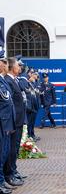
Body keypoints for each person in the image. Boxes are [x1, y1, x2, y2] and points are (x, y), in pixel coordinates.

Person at [4, 57, 26, 186]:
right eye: (18, 66)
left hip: (18, 120)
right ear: (12, 67)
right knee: (11, 149)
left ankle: (13, 170)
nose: (20, 68)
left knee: (15, 148)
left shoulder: (15, 80)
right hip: (13, 121)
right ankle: (9, 174)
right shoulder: (8, 81)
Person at [0, 57, 16, 194]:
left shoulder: (2, 81)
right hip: (2, 122)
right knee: (2, 153)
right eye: (2, 62)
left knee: (4, 153)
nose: (5, 64)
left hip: (6, 122)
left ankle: (1, 181)